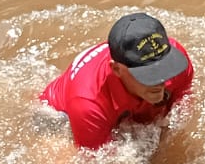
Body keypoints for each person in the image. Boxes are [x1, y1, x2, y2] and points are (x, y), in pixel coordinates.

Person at [40, 12, 194, 150]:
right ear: (117, 69)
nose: (161, 81)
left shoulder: (178, 60)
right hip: (60, 115)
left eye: (164, 67)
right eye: (149, 74)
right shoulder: (88, 104)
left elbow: (182, 110)